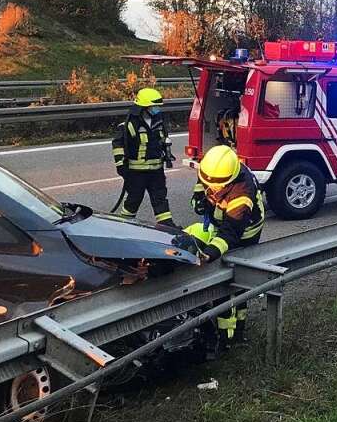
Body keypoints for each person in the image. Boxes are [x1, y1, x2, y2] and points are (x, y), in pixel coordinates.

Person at [180, 145, 265, 351]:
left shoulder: (241, 194)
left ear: (229, 180)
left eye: (218, 186)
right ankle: (225, 327)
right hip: (222, 224)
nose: (213, 188)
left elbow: (230, 234)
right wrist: (198, 199)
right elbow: (203, 183)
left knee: (234, 283)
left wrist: (209, 254)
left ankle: (231, 337)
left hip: (244, 234)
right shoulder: (214, 170)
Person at [111, 87, 176, 227]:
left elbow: (162, 139)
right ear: (144, 107)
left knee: (160, 199)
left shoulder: (158, 121)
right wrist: (121, 166)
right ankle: (124, 226)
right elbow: (118, 144)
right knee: (133, 200)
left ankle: (167, 227)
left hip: (156, 171)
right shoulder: (130, 124)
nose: (156, 109)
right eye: (154, 106)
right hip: (136, 173)